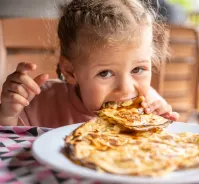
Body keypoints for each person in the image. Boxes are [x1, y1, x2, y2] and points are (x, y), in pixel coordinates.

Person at [0, 0, 179, 128]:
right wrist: (8, 115)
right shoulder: (39, 103)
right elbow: (11, 144)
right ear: (70, 72)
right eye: (105, 73)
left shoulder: (151, 104)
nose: (126, 89)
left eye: (138, 69)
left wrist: (162, 124)